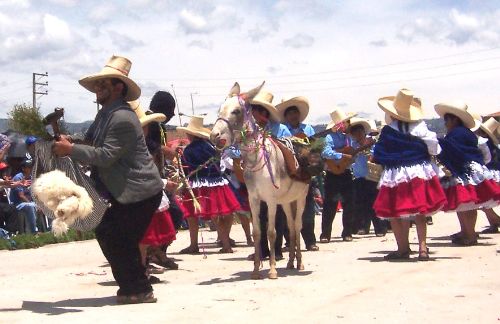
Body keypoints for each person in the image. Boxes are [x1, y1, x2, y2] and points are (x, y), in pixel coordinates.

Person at [53, 55, 164, 304]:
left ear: (118, 87)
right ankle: (133, 286)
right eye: (98, 84)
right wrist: (67, 141)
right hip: (125, 190)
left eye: (105, 83)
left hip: (140, 191)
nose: (98, 88)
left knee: (118, 236)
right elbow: (90, 142)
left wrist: (70, 150)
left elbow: (105, 156)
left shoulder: (122, 117)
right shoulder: (105, 115)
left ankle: (138, 287)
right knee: (110, 233)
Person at [373, 89, 447, 261]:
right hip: (418, 170)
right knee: (420, 211)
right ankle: (422, 248)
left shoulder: (388, 130)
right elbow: (434, 147)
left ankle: (403, 248)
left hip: (396, 173)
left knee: (396, 211)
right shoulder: (420, 127)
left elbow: (380, 153)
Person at [435, 103, 500, 245]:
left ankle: (469, 234)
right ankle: (467, 232)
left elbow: (450, 150)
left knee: (466, 204)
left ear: (454, 120)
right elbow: (485, 155)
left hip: (464, 172)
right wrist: (480, 165)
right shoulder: (469, 134)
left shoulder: (455, 134)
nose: (446, 124)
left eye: (447, 121)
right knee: (465, 204)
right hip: (472, 170)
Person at [177, 116, 241, 254]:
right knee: (216, 215)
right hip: (216, 182)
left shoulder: (188, 150)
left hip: (198, 184)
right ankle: (226, 243)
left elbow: (186, 168)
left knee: (192, 216)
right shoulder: (210, 147)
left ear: (190, 134)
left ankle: (194, 245)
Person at [129, 99, 178, 281]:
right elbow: (141, 173)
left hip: (149, 189)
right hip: (139, 194)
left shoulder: (146, 141)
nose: (146, 130)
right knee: (142, 235)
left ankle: (147, 264)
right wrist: (164, 182)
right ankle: (142, 269)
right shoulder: (135, 149)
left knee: (145, 235)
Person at [247, 90, 291, 260]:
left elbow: (287, 149)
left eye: (254, 110)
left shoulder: (280, 129)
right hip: (256, 179)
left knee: (276, 213)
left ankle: (276, 249)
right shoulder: (248, 131)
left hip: (277, 177)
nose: (251, 114)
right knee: (258, 214)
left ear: (263, 112)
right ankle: (262, 249)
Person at [276, 96, 318, 251]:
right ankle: (291, 241)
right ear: (286, 117)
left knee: (307, 209)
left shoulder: (309, 129)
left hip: (305, 173)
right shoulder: (282, 130)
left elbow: (314, 149)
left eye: (295, 113)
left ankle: (310, 241)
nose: (293, 116)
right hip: (287, 174)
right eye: (290, 113)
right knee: (286, 209)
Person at [320, 107, 357, 242]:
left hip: (346, 172)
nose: (348, 124)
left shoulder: (350, 138)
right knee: (329, 204)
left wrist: (352, 157)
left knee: (349, 203)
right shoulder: (329, 137)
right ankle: (325, 234)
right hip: (332, 173)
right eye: (346, 122)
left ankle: (347, 232)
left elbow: (353, 153)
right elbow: (325, 152)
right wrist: (342, 155)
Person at [348, 117, 386, 237]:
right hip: (359, 176)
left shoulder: (372, 142)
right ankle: (363, 227)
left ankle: (379, 228)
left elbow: (377, 154)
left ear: (364, 132)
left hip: (372, 176)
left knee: (375, 202)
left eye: (360, 132)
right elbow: (350, 158)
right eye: (355, 133)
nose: (357, 135)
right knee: (361, 203)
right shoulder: (352, 146)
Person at [475, 117, 500, 234]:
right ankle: (494, 222)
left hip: (490, 174)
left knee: (483, 201)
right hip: (496, 172)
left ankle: (495, 221)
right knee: (486, 202)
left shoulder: (482, 143)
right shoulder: (496, 146)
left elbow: (486, 160)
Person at [9, 159, 37, 234]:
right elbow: (21, 196)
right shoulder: (19, 177)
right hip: (18, 203)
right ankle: (34, 231)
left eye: (31, 167)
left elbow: (35, 194)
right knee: (31, 206)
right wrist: (33, 203)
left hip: (29, 202)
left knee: (45, 205)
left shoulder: (32, 177)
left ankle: (49, 229)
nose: (31, 169)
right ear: (23, 168)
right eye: (29, 167)